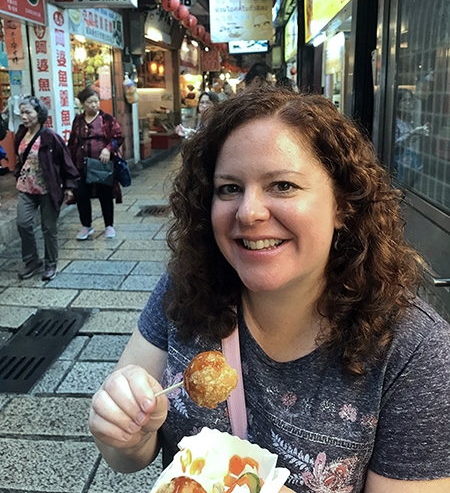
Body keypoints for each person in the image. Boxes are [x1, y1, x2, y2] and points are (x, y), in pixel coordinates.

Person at [89, 86, 450, 492]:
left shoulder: (414, 350)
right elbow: (127, 456)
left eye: (282, 185)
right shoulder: (187, 287)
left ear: (343, 204)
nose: (249, 212)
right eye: (229, 188)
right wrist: (126, 434)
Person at [14, 97, 79, 281]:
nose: (24, 116)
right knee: (23, 223)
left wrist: (69, 187)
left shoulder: (50, 136)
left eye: (28, 112)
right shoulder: (20, 133)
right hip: (25, 187)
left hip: (48, 189)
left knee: (48, 228)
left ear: (39, 113)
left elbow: (66, 163)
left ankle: (51, 263)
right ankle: (32, 260)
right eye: (22, 112)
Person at [68, 86, 123, 240]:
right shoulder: (78, 120)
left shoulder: (107, 119)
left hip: (101, 164)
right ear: (82, 104)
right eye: (90, 102)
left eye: (96, 101)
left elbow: (118, 137)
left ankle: (109, 225)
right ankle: (86, 226)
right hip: (81, 164)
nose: (94, 105)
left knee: (104, 194)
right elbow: (72, 142)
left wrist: (108, 149)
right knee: (81, 195)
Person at [394, 88, 430, 186]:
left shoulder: (406, 121)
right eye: (404, 100)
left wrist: (419, 133)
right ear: (397, 104)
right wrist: (412, 132)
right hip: (397, 163)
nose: (408, 103)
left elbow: (407, 141)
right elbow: (394, 144)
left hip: (408, 163)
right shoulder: (394, 122)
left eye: (410, 100)